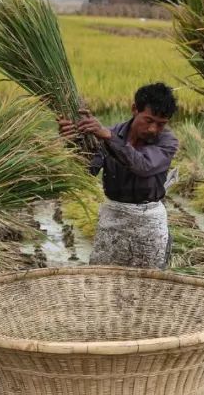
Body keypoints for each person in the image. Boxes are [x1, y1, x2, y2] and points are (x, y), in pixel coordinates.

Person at [58, 83, 179, 269]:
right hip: (113, 216)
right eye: (148, 120)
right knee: (103, 280)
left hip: (149, 221)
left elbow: (143, 166)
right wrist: (72, 143)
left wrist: (108, 137)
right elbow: (87, 171)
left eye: (161, 124)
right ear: (134, 109)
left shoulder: (167, 142)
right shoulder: (108, 135)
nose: (153, 129)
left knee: (148, 283)